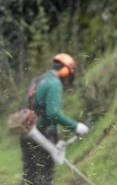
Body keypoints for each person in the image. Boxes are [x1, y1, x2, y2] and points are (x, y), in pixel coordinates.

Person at [20, 53, 89, 184]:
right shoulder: (54, 83)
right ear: (64, 70)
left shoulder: (38, 80)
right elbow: (53, 114)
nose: (68, 77)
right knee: (45, 176)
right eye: (69, 73)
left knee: (29, 176)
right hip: (42, 134)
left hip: (26, 131)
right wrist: (76, 126)